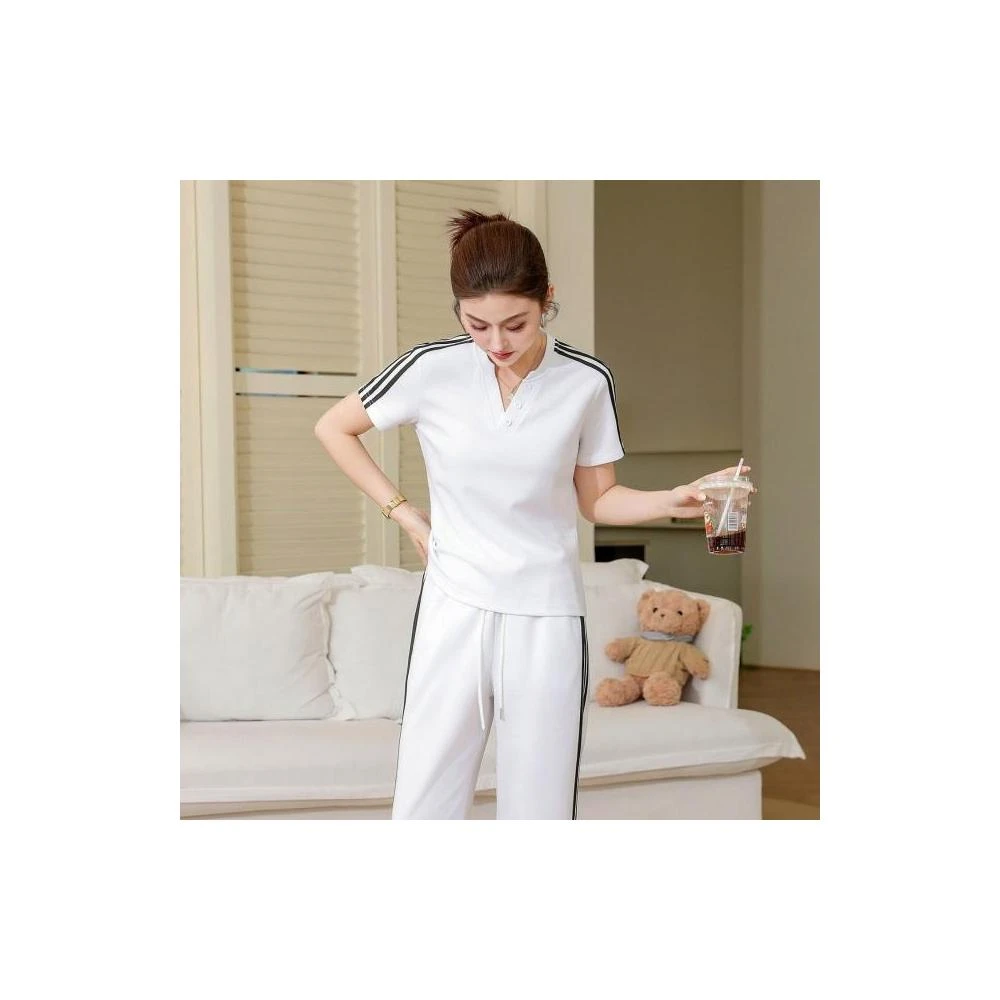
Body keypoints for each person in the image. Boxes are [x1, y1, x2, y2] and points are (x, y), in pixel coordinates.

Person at [314, 209, 753, 820]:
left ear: (547, 299)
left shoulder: (585, 381)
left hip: (546, 608)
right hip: (454, 601)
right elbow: (334, 428)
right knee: (425, 791)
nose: (497, 343)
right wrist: (407, 515)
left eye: (515, 324)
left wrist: (670, 499)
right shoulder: (431, 368)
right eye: (477, 325)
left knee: (540, 798)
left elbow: (597, 499)